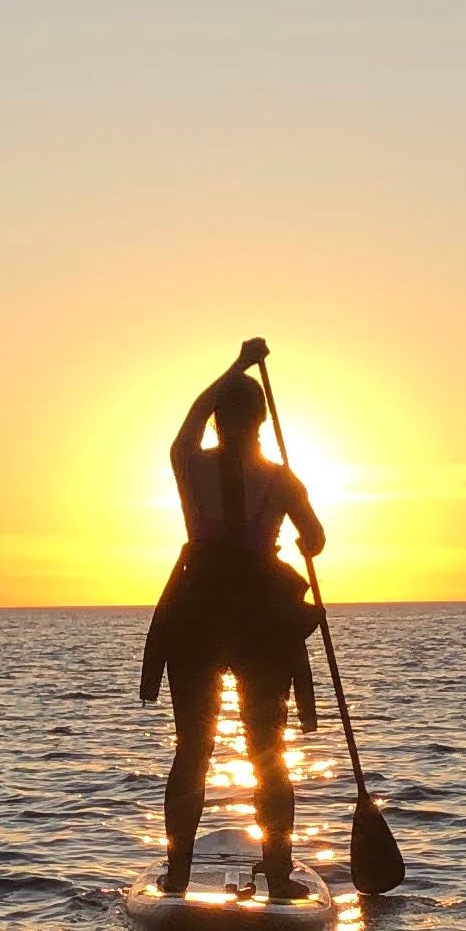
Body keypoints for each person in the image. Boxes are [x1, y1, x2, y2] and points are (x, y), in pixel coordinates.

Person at [139, 341, 326, 898]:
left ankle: (176, 877)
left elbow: (186, 427)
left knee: (192, 749)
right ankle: (279, 876)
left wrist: (233, 368)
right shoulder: (282, 479)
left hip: (197, 614)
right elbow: (315, 539)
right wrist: (301, 535)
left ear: (220, 420)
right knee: (268, 752)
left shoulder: (191, 465)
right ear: (261, 421)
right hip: (260, 622)